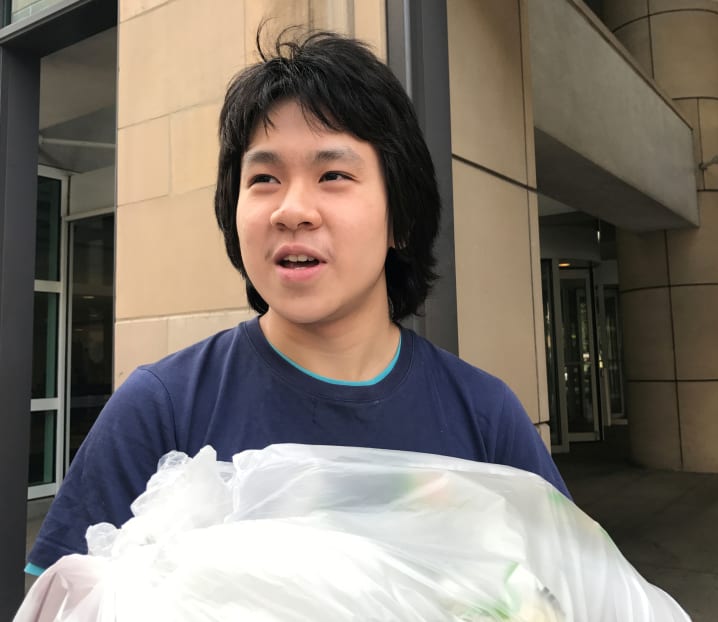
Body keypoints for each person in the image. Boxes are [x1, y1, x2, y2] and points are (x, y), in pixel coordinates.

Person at [26, 28, 569, 575]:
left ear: (400, 218)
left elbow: (573, 589)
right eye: (264, 178)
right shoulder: (162, 409)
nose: (291, 209)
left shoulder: (484, 417)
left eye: (333, 174)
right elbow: (63, 600)